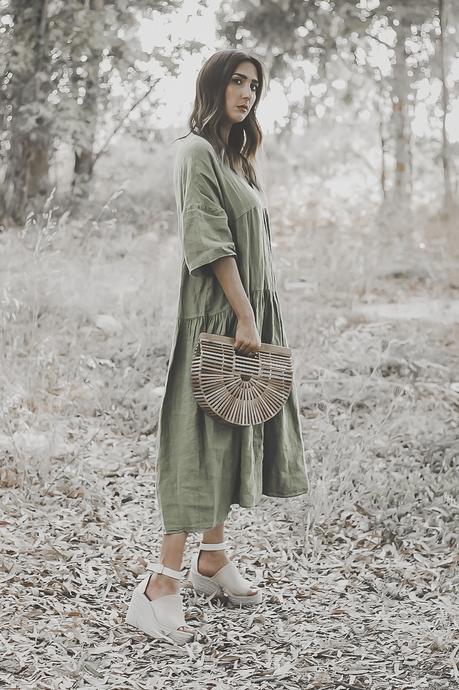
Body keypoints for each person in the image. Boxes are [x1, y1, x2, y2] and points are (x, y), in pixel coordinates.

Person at [126, 49, 309, 645]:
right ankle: (159, 584)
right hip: (219, 315)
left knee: (235, 430)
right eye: (236, 80)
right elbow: (208, 240)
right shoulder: (195, 151)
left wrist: (258, 315)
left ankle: (212, 557)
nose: (247, 91)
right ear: (213, 85)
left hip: (247, 313)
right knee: (198, 442)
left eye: (254, 83)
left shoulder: (236, 156)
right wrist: (244, 314)